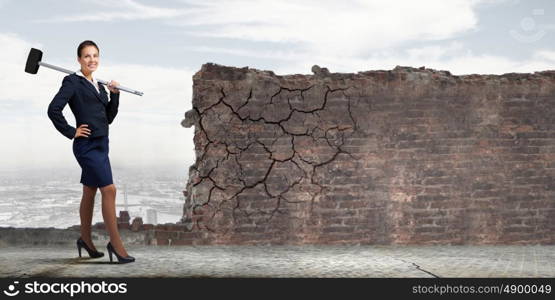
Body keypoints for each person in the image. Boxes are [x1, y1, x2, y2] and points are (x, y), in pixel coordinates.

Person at [47, 40, 134, 264]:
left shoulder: (100, 85)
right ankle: (116, 244)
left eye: (95, 56)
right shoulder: (72, 82)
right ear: (79, 59)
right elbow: (53, 109)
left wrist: (114, 94)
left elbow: (108, 119)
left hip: (102, 144)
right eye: (87, 56)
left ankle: (85, 239)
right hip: (86, 146)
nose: (91, 60)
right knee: (110, 190)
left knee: (90, 190)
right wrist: (70, 131)